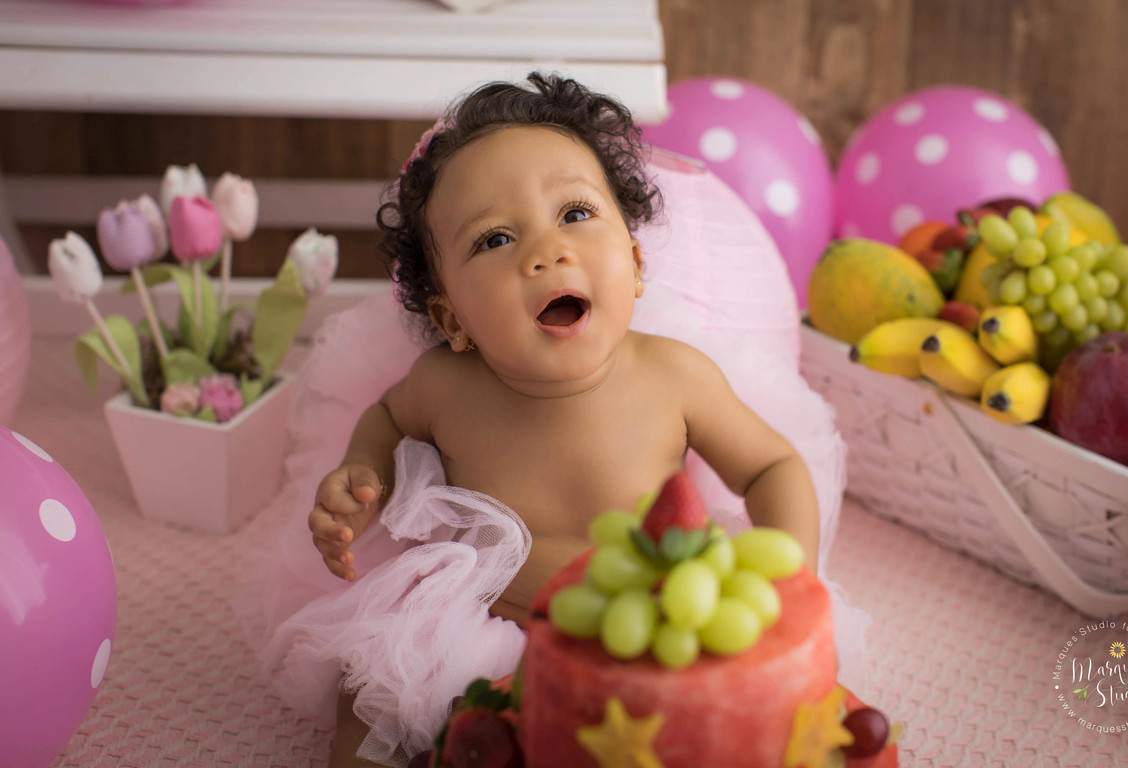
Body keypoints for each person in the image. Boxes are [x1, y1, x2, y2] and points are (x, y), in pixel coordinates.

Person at [255, 73, 830, 768]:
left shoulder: (676, 377)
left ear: (636, 263)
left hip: (651, 625)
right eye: (494, 239)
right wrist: (360, 474)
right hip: (489, 627)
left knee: (699, 733)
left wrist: (787, 577)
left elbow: (772, 465)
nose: (546, 251)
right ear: (452, 319)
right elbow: (384, 417)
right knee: (372, 692)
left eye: (576, 214)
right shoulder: (444, 385)